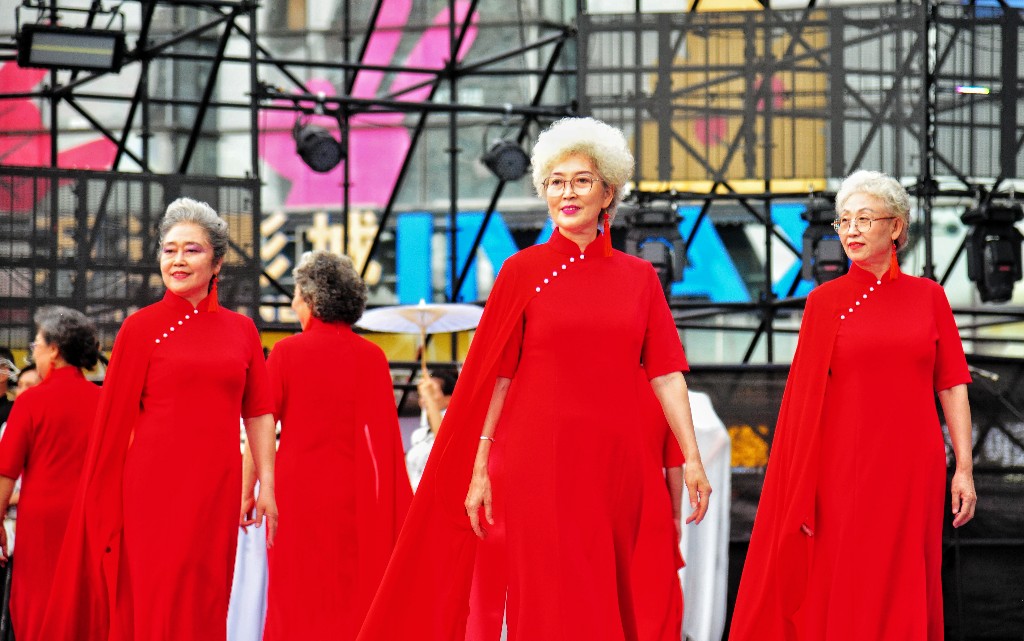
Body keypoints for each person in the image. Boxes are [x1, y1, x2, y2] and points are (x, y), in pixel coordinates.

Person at [357, 117, 711, 641]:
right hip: (536, 460)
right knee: (548, 595)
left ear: (608, 192)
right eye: (556, 182)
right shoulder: (521, 271)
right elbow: (496, 377)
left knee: (606, 590)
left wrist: (693, 459)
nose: (567, 192)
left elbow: (666, 373)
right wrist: (479, 466)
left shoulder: (639, 279)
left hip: (616, 465)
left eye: (582, 180)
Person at [729, 170, 976, 641]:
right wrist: (801, 488)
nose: (852, 230)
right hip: (845, 469)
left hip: (913, 469)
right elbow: (802, 406)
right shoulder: (824, 302)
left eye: (864, 218)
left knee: (905, 574)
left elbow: (952, 384)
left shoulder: (929, 297)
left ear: (896, 227)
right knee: (848, 576)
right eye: (844, 221)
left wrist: (963, 468)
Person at [40, 198, 278, 641]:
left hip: (216, 490)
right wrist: (101, 501)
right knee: (155, 598)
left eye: (192, 250)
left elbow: (259, 410)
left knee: (207, 600)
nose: (177, 260)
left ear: (217, 262)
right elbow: (112, 425)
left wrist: (267, 483)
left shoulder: (242, 330)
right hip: (153, 490)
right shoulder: (140, 328)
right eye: (169, 250)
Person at [261, 250, 412, 641]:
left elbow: (262, 425)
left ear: (312, 299)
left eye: (297, 295)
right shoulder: (372, 356)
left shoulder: (286, 352)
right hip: (352, 493)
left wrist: (251, 489)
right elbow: (386, 440)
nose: (293, 304)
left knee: (295, 588)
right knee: (346, 586)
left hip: (296, 491)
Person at [0, 307, 102, 641]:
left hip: (41, 526)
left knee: (38, 606)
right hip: (91, 522)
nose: (34, 352)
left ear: (54, 350)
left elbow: (5, 472)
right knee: (83, 607)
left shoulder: (30, 402)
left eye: (37, 345)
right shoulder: (103, 401)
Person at [631, 379, 686, 641]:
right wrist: (675, 514)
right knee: (656, 604)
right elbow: (674, 465)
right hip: (653, 511)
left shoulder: (592, 384)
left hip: (601, 510)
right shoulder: (662, 389)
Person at [406, 367, 458, 490]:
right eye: (423, 392)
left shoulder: (455, 427)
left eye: (432, 391)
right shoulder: (419, 435)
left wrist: (430, 400)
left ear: (449, 398)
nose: (424, 396)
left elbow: (442, 440)